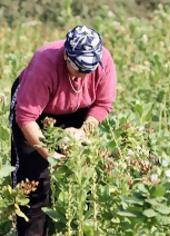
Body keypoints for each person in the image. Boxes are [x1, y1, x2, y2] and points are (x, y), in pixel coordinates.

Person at [9, 25, 116, 235]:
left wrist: (83, 132)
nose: (83, 76)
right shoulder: (44, 64)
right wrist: (52, 156)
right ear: (67, 56)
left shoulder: (103, 61)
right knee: (34, 182)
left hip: (79, 108)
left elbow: (103, 104)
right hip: (35, 113)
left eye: (89, 70)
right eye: (79, 69)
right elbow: (26, 117)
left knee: (82, 177)